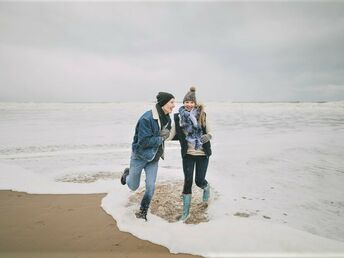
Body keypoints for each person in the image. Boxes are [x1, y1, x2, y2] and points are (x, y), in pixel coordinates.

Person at [120, 92, 175, 221]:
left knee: (151, 186)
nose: (173, 105)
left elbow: (167, 133)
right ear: (163, 103)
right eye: (171, 102)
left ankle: (142, 212)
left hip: (154, 158)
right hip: (139, 156)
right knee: (133, 186)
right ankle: (126, 175)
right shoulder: (147, 119)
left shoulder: (168, 117)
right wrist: (161, 137)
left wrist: (166, 135)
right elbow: (143, 142)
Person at [167, 86, 212, 222]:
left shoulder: (202, 115)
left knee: (199, 181)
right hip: (188, 154)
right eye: (186, 102)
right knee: (187, 181)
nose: (188, 104)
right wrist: (161, 137)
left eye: (191, 102)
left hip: (202, 154)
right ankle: (185, 213)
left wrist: (208, 136)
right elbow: (171, 134)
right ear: (183, 103)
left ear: (194, 103)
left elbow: (210, 131)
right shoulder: (178, 118)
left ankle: (207, 188)